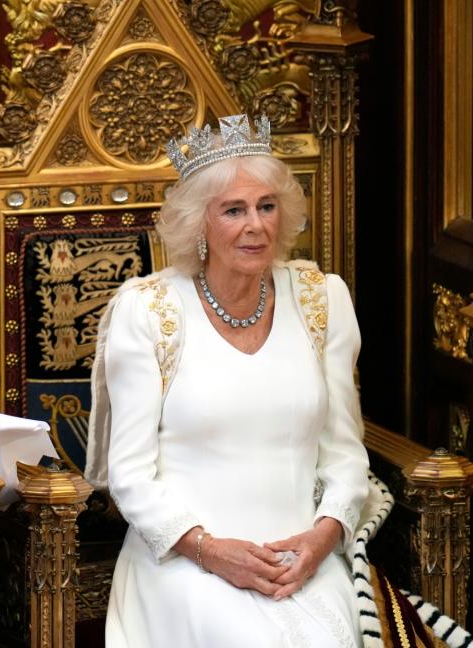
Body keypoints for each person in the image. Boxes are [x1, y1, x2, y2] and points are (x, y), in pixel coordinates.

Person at [85, 114, 370, 647]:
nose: (255, 225)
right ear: (200, 225)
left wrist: (322, 537)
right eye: (233, 210)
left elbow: (346, 455)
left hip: (302, 560)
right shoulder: (149, 311)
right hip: (185, 560)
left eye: (266, 206)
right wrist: (210, 550)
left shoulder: (321, 299)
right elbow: (129, 475)